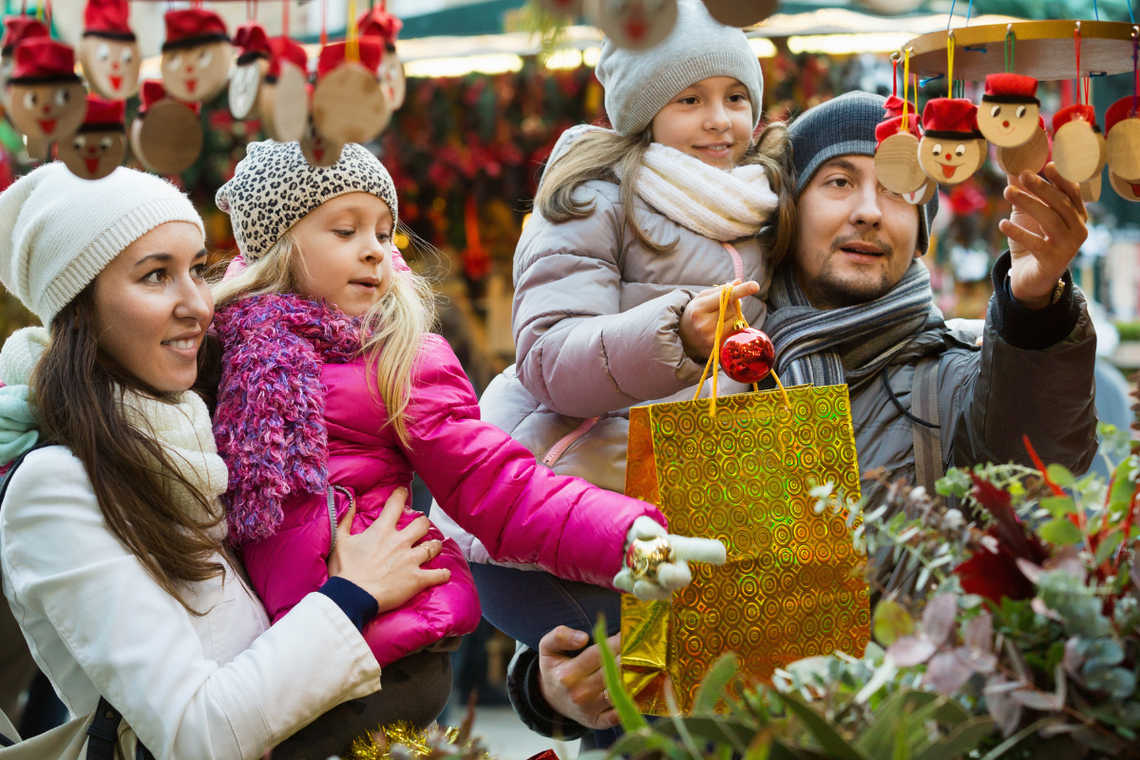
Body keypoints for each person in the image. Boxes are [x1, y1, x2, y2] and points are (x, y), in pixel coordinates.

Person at [507, 90, 1098, 740]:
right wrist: (545, 682)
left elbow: (1031, 469)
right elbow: (611, 546)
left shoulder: (957, 373)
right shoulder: (697, 368)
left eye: (900, 191)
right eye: (840, 182)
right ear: (786, 212)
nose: (871, 211)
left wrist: (1034, 307)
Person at [207, 140, 724, 711]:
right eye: (345, 231)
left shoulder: (396, 359)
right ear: (277, 246)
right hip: (268, 650)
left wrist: (626, 540)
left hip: (380, 652)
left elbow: (495, 484)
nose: (376, 251)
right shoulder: (222, 350)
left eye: (383, 232)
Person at [0, 163, 456, 759]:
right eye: (156, 276)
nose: (197, 303)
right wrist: (353, 594)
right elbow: (195, 734)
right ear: (79, 308)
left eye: (195, 269)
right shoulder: (56, 485)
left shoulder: (214, 433)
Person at [432, 0, 794, 744]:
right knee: (656, 714)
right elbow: (548, 356)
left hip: (685, 509)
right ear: (642, 109)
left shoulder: (764, 208)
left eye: (734, 98)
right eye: (688, 99)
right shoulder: (595, 200)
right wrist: (677, 335)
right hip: (561, 514)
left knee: (687, 708)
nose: (718, 119)